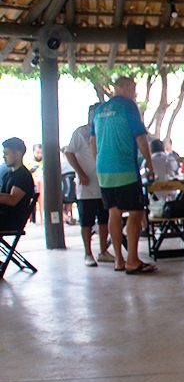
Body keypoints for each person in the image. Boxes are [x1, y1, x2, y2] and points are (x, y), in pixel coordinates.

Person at [91, 76, 156, 274]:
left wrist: (99, 162)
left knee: (114, 213)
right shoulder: (128, 107)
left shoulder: (99, 110)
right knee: (135, 212)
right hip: (125, 168)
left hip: (104, 171)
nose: (135, 94)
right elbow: (140, 137)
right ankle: (133, 260)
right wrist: (149, 163)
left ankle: (118, 259)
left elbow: (92, 141)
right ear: (126, 88)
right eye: (134, 89)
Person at [66, 104, 114, 266]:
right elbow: (69, 152)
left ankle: (103, 251)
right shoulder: (80, 132)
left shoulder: (106, 131)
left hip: (104, 182)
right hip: (87, 186)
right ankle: (88, 253)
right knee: (87, 221)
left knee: (104, 219)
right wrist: (81, 174)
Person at [0, 137, 35, 232]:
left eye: (6, 154)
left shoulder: (23, 176)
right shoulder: (8, 175)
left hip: (10, 220)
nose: (3, 157)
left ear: (17, 154)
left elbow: (12, 200)